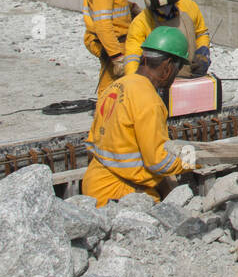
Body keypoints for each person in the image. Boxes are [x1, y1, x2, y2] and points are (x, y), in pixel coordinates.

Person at [82, 26, 191, 206]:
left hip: (94, 184)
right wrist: (193, 158)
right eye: (177, 70)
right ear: (167, 67)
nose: (175, 77)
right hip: (120, 195)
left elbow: (92, 142)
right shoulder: (150, 101)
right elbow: (159, 162)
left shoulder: (116, 86)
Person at [125, 0, 212, 78]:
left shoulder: (189, 7)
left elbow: (201, 34)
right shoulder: (141, 23)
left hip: (190, 74)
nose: (166, 10)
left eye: (169, 5)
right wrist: (135, 81)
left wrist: (203, 51)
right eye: (160, 8)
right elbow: (132, 57)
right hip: (159, 80)